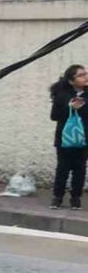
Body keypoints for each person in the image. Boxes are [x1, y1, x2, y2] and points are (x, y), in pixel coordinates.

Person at [49, 64, 88, 210]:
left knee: (80, 169)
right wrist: (70, 107)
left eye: (85, 74)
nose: (85, 77)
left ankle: (75, 198)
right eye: (81, 75)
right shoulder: (62, 94)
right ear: (71, 81)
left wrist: (82, 108)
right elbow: (54, 116)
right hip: (65, 138)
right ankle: (57, 197)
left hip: (83, 138)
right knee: (62, 168)